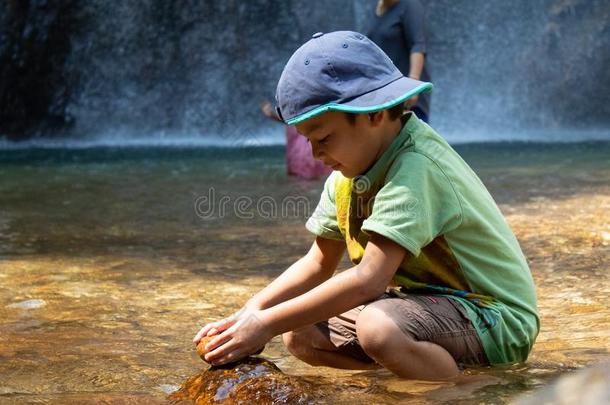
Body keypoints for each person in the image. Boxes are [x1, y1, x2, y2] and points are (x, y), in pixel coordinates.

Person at [193, 31, 539, 381]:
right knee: (299, 333)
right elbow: (318, 261)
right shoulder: (349, 170)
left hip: (493, 317)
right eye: (308, 141)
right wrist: (248, 315)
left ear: (372, 114)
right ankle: (404, 375)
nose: (316, 154)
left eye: (323, 138)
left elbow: (370, 280)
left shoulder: (417, 167)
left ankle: (469, 390)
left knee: (378, 329)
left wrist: (263, 324)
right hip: (429, 308)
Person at [367, 0, 432, 122]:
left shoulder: (409, 5)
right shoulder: (377, 8)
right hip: (386, 94)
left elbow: (418, 44)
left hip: (407, 97)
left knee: (413, 136)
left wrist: (413, 85)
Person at [260, 100, 331, 180]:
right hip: (301, 136)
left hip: (302, 140)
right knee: (305, 170)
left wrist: (271, 114)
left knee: (305, 169)